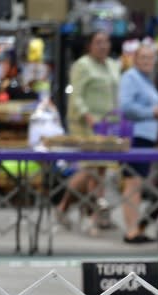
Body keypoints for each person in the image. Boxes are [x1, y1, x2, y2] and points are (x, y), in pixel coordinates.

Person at [56, 31, 121, 235]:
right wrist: (89, 117)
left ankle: (64, 208)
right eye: (98, 42)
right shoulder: (82, 65)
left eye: (106, 41)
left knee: (100, 170)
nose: (103, 46)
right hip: (85, 124)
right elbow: (76, 95)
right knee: (92, 169)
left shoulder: (113, 65)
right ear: (89, 46)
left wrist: (117, 119)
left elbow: (115, 95)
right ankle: (92, 217)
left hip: (107, 124)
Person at [118, 42, 158, 244]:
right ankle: (131, 231)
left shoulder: (146, 80)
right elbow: (125, 106)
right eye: (143, 58)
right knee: (132, 183)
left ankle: (136, 227)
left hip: (147, 137)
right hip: (134, 136)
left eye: (150, 58)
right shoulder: (130, 78)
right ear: (135, 59)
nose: (147, 61)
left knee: (137, 184)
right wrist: (150, 113)